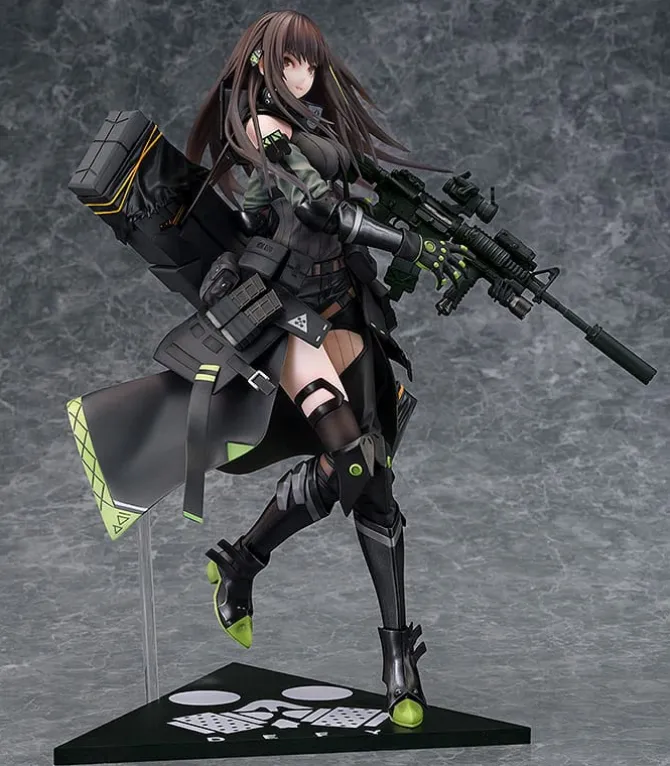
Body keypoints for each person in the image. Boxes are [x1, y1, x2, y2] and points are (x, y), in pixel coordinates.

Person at [184, 10, 468, 729]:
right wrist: (409, 245)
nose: (303, 76)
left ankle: (390, 651)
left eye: (310, 63)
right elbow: (315, 204)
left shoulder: (317, 126)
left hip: (346, 304)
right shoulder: (264, 130)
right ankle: (250, 565)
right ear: (261, 65)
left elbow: (364, 184)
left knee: (374, 481)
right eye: (290, 63)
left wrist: (438, 231)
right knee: (352, 455)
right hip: (287, 312)